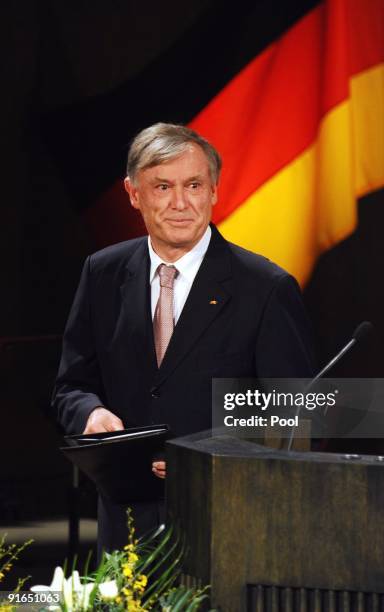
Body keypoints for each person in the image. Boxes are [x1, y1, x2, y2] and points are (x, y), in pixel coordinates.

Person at [52, 122, 315, 554]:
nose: (180, 203)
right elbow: (71, 386)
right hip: (127, 525)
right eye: (162, 187)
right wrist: (90, 414)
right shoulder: (102, 273)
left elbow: (297, 417)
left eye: (193, 185)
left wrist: (203, 455)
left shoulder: (265, 287)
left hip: (229, 521)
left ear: (213, 191)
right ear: (134, 194)